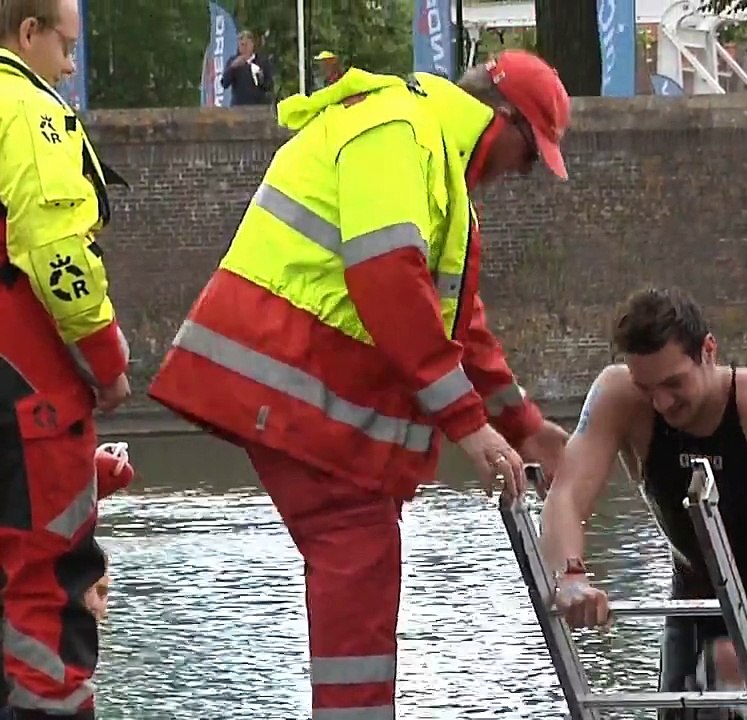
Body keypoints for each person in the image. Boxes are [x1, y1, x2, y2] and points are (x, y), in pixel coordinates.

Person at [147, 49, 573, 719]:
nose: (519, 176)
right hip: (299, 395)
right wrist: (470, 425)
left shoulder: (425, 151)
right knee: (357, 572)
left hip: (301, 398)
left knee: (360, 590)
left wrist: (524, 425)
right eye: (528, 156)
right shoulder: (398, 132)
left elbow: (459, 325)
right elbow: (383, 278)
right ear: (503, 121)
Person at [539, 287, 747, 719]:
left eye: (674, 383)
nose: (662, 403)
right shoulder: (619, 397)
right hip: (695, 608)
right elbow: (565, 496)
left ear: (708, 350)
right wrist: (570, 575)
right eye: (646, 387)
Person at [0, 0, 133, 717]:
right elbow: (57, 255)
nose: (71, 68)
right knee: (50, 583)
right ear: (28, 34)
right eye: (65, 48)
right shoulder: (28, 112)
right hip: (25, 386)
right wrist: (107, 360)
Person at [220, 30, 273, 106]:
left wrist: (260, 77)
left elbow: (269, 85)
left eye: (246, 44)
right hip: (239, 107)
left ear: (252, 44)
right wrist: (232, 67)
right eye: (241, 45)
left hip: (258, 107)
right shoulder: (233, 61)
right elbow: (224, 83)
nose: (244, 48)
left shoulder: (262, 61)